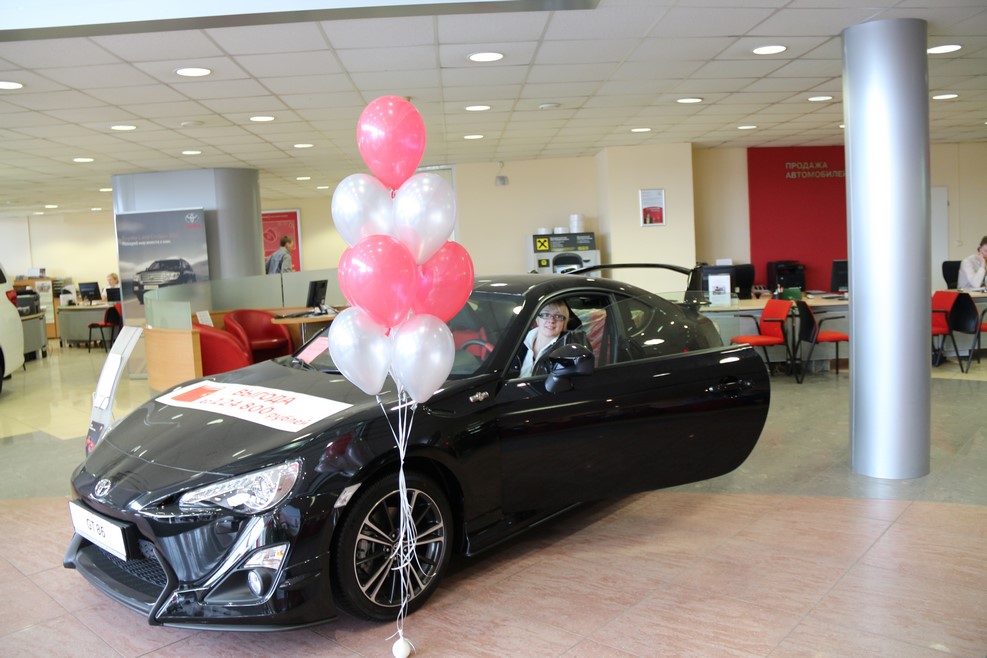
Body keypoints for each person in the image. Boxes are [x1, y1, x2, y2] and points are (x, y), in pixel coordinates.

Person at [515, 300, 586, 378]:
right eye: (546, 315)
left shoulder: (569, 348)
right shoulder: (518, 339)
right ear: (537, 319)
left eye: (558, 316)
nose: (552, 320)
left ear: (564, 322)